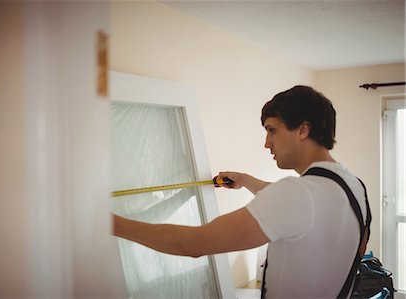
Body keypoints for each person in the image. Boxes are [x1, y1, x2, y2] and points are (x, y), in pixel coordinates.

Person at [113, 85, 371, 298]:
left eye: (272, 130)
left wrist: (114, 224)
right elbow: (304, 213)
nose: (266, 143)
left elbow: (194, 243)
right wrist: (246, 181)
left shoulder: (295, 195)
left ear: (303, 130)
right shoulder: (353, 187)